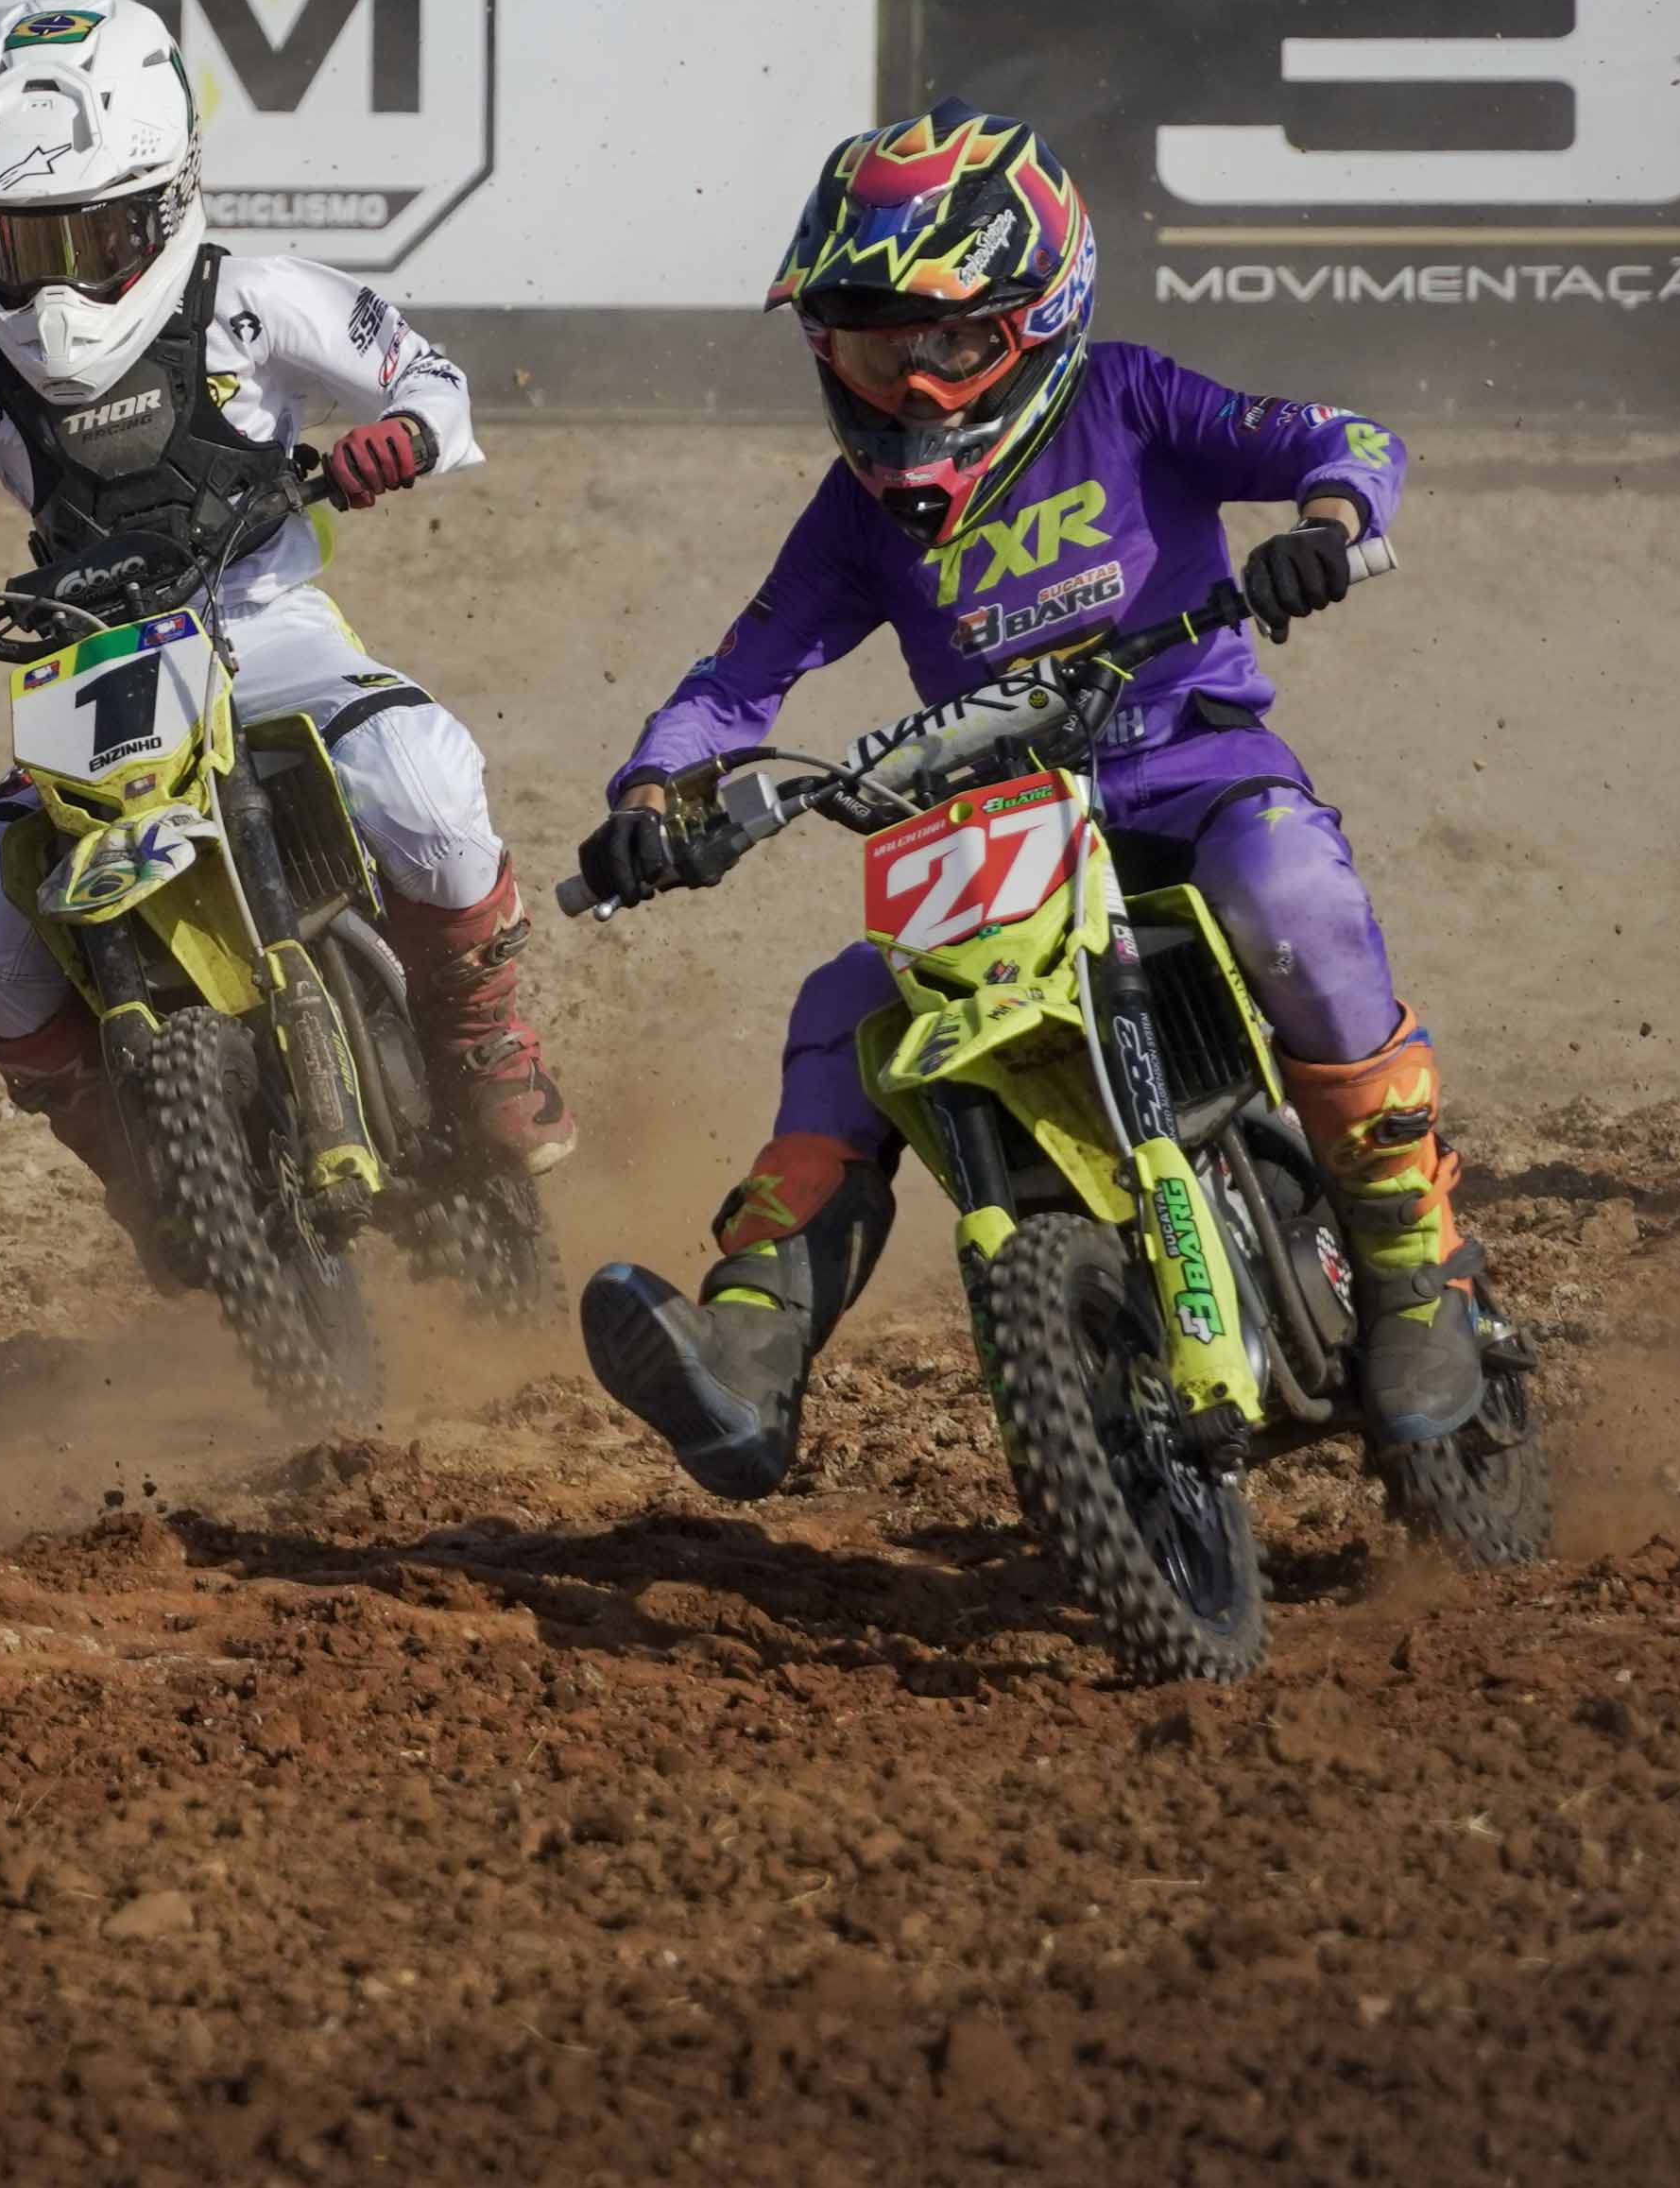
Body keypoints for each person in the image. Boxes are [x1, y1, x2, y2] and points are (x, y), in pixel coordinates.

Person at [570, 112, 1488, 1499]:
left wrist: (1329, 525)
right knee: (846, 1008)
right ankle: (748, 1348)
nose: (912, 390)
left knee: (1290, 892)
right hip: (1003, 834)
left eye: (948, 346)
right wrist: (654, 788)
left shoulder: (1129, 398)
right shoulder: (855, 514)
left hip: (1193, 771)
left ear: (1037, 321)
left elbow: (1342, 437)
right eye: (875, 351)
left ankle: (1415, 1273)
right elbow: (740, 675)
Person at [0, 0, 575, 1231]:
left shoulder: (257, 299)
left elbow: (429, 377)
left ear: (165, 198)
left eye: (87, 237)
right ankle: (134, 1155)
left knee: (424, 783)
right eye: (15, 243)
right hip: (90, 669)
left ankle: (480, 1035)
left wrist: (403, 434)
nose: (51, 285)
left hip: (270, 627)